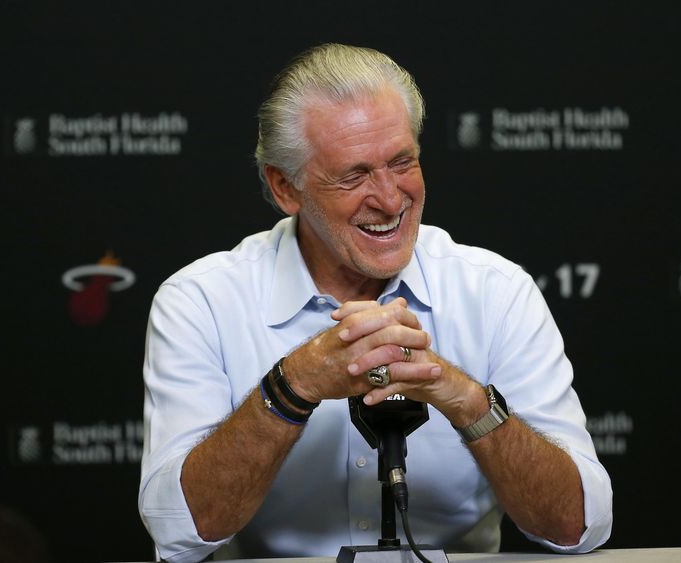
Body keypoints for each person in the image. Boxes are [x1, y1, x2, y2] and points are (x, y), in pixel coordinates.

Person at [139, 43, 612, 563]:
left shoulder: (495, 292)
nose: (390, 199)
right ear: (284, 187)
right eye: (354, 175)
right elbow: (178, 532)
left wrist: (464, 398)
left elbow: (579, 526)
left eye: (401, 162)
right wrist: (293, 385)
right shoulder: (201, 301)